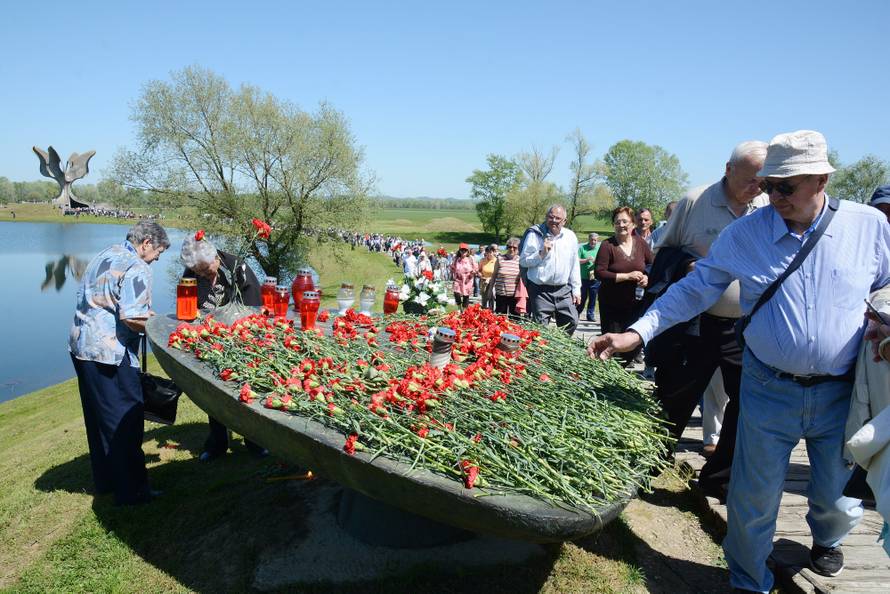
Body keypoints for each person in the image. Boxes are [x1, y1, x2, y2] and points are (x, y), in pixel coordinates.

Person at [590, 130, 890, 592]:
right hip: (767, 387)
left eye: (784, 187)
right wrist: (637, 332)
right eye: (769, 185)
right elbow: (695, 288)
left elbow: (886, 287)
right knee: (753, 497)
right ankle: (749, 581)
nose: (772, 196)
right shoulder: (746, 233)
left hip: (841, 390)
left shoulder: (868, 226)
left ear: (821, 179)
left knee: (834, 493)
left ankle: (827, 539)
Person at [646, 140, 769, 488]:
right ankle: (650, 466)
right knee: (674, 397)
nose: (755, 189)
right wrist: (687, 266)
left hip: (744, 327)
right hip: (695, 324)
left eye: (761, 182)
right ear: (728, 170)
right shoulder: (695, 201)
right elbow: (661, 253)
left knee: (747, 401)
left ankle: (719, 476)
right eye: (748, 180)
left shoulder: (767, 206)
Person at [69, 220, 170, 505]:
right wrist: (159, 326)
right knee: (126, 421)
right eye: (158, 251)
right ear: (147, 242)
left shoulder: (107, 253)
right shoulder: (138, 266)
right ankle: (133, 492)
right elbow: (131, 317)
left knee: (99, 419)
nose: (158, 258)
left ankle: (107, 482)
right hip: (109, 354)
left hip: (81, 345)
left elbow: (107, 301)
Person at [180, 233, 267, 461]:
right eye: (198, 272)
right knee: (213, 389)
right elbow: (186, 305)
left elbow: (255, 306)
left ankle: (255, 440)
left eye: (205, 270)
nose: (202, 275)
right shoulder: (193, 271)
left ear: (216, 258)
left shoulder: (238, 267)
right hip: (210, 339)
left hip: (242, 336)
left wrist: (241, 334)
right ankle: (217, 441)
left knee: (247, 388)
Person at [593, 206, 653, 363]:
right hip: (611, 305)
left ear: (633, 224)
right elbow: (600, 272)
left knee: (632, 348)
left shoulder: (640, 243)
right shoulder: (608, 245)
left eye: (625, 221)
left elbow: (652, 265)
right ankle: (609, 380)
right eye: (617, 222)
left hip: (634, 305)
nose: (621, 225)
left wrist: (647, 277)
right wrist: (626, 276)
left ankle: (623, 373)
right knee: (613, 347)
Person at [519, 204, 582, 335]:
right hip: (539, 289)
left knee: (572, 320)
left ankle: (561, 346)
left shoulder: (570, 237)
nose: (553, 220)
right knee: (541, 328)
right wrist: (541, 253)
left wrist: (576, 289)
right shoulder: (535, 234)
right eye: (550, 217)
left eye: (558, 218)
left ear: (564, 221)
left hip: (563, 289)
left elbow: (574, 264)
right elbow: (523, 261)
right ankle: (543, 351)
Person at [484, 237, 523, 317]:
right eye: (509, 247)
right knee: (500, 317)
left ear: (518, 248)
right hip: (501, 294)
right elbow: (494, 275)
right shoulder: (500, 259)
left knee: (515, 319)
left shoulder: (520, 260)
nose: (511, 249)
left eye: (514, 247)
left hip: (514, 295)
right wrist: (490, 290)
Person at [577, 233, 601, 321]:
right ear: (589, 239)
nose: (593, 242)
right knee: (582, 297)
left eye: (595, 240)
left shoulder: (599, 249)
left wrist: (596, 262)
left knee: (593, 297)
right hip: (583, 278)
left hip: (595, 278)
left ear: (597, 240)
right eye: (592, 240)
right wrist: (586, 260)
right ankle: (577, 313)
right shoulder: (582, 248)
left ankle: (590, 315)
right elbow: (576, 260)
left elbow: (603, 261)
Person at [450, 243, 477, 311]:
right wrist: (452, 272)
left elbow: (475, 267)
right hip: (458, 279)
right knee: (456, 293)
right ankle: (459, 307)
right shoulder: (456, 259)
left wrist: (473, 272)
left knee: (466, 294)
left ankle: (464, 310)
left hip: (467, 279)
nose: (463, 252)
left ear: (467, 251)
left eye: (465, 250)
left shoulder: (470, 258)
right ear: (459, 251)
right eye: (462, 250)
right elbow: (452, 267)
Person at [478, 244, 498, 309]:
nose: (489, 254)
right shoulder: (482, 260)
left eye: (490, 252)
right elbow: (479, 270)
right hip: (484, 281)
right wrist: (481, 275)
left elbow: (497, 273)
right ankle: (483, 311)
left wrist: (490, 278)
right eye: (487, 252)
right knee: (484, 298)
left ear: (493, 252)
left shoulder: (496, 261)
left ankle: (491, 311)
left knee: (491, 297)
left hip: (493, 282)